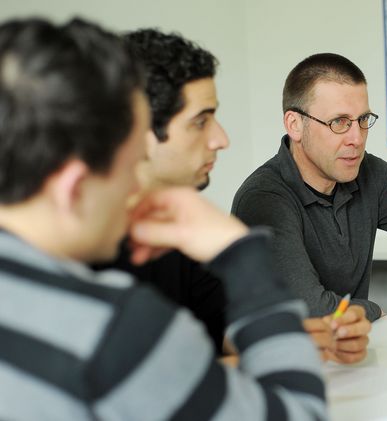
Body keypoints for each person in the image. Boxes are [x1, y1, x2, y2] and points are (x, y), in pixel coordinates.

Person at [0, 18, 325, 420]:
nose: (133, 180)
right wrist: (243, 257)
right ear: (74, 187)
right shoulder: (112, 325)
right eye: (129, 160)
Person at [98, 29, 370, 364]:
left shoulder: (179, 225)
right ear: (135, 131)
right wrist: (274, 353)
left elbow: (219, 329)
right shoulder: (84, 249)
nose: (221, 139)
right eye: (200, 122)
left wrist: (304, 337)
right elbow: (143, 383)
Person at [232, 53, 387, 320]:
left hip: (349, 352)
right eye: (339, 122)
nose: (356, 138)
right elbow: (312, 311)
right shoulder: (263, 198)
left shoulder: (369, 174)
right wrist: (374, 310)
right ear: (295, 125)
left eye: (363, 120)